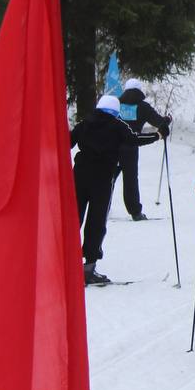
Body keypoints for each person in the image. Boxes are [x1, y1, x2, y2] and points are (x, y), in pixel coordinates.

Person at [71, 95, 159, 285]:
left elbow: (65, 142)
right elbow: (134, 139)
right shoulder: (117, 125)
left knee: (72, 218)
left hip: (78, 177)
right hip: (102, 180)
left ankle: (64, 263)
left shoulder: (84, 123)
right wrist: (157, 135)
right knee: (96, 220)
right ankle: (89, 267)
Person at [116, 79, 172, 222]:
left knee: (108, 178)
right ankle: (135, 212)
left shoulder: (117, 104)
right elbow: (157, 121)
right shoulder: (142, 106)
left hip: (113, 147)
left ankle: (102, 208)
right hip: (131, 147)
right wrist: (166, 121)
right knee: (130, 180)